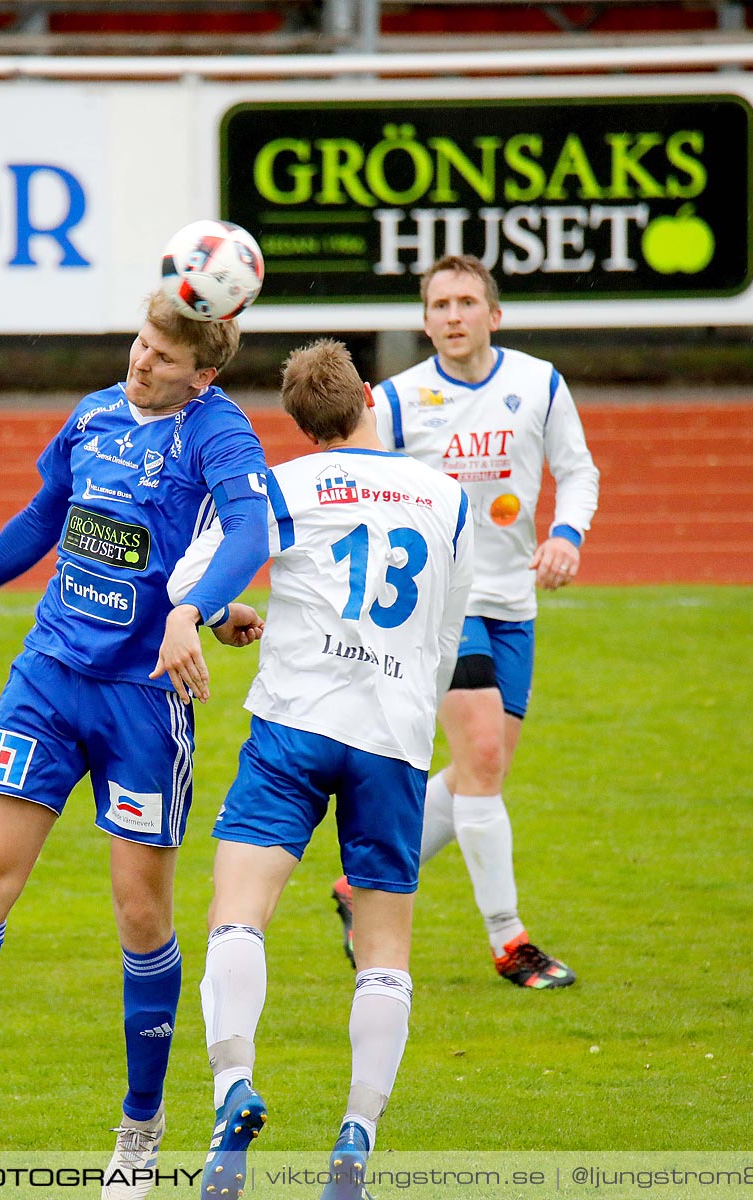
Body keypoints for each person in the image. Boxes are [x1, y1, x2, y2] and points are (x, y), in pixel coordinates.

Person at [0, 292, 272, 1200]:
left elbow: (249, 531)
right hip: (47, 675)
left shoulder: (219, 435)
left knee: (138, 915)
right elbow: (46, 519)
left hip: (144, 704)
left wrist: (199, 613)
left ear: (204, 369)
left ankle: (141, 1130)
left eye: (162, 354)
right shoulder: (92, 416)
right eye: (140, 342)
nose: (140, 360)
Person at [168, 340, 472, 1200]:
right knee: (383, 954)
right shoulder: (448, 499)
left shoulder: (285, 485)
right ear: (371, 396)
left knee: (238, 917)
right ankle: (357, 1137)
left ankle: (234, 1087)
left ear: (300, 428)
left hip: (294, 728)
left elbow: (192, 580)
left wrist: (222, 614)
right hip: (394, 742)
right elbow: (449, 632)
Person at [332, 253, 599, 990]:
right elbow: (354, 485)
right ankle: (509, 941)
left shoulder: (538, 384)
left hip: (514, 599)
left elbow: (578, 471)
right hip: (444, 604)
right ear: (425, 321)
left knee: (484, 769)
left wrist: (567, 534)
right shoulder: (394, 401)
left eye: (465, 302)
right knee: (482, 755)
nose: (452, 316)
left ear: (493, 314)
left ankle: (360, 883)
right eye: (439, 305)